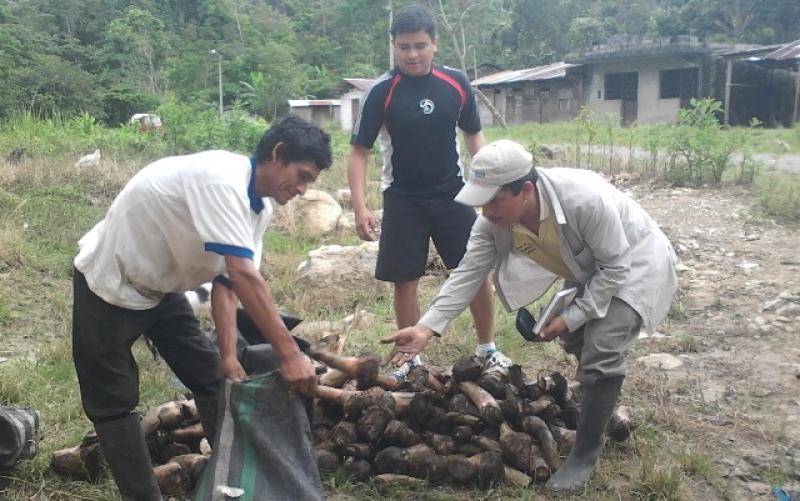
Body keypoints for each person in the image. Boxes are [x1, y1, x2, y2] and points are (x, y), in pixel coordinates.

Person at [381, 139, 678, 492]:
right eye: (480, 201)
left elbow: (616, 267)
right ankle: (600, 406)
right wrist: (427, 328)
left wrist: (573, 315)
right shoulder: (492, 223)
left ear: (524, 190)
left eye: (493, 200)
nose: (486, 211)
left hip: (635, 261)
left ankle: (585, 450)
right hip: (590, 266)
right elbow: (468, 273)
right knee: (578, 338)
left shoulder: (584, 199)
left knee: (602, 343)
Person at [71, 116, 331, 500]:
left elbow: (228, 283)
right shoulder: (220, 180)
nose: (303, 188)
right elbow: (244, 275)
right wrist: (289, 355)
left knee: (213, 377)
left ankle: (230, 480)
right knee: (113, 400)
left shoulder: (259, 209)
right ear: (278, 154)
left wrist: (228, 354)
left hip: (164, 290)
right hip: (110, 283)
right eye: (302, 175)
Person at [347, 4, 508, 374]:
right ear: (393, 46)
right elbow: (359, 152)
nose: (412, 54)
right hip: (402, 197)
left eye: (420, 45)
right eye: (403, 47)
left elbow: (473, 136)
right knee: (405, 280)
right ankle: (412, 360)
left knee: (474, 271)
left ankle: (487, 348)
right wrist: (360, 205)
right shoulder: (381, 92)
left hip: (453, 193)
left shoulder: (455, 83)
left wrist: (486, 188)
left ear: (434, 43)